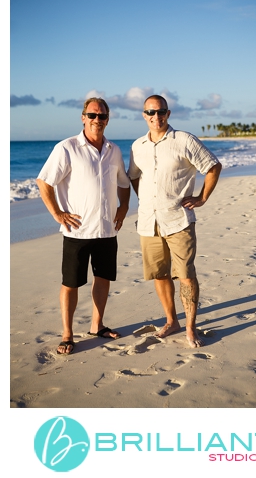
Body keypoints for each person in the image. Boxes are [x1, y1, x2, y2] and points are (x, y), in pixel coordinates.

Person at [37, 98, 131, 355]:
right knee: (71, 283)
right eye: (92, 115)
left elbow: (123, 182)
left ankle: (97, 326)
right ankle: (67, 334)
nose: (96, 120)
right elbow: (44, 182)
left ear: (107, 120)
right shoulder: (67, 148)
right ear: (83, 117)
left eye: (101, 116)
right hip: (77, 231)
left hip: (107, 230)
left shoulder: (114, 150)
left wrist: (124, 207)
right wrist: (57, 212)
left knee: (103, 278)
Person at [128, 95, 222, 348]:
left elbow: (213, 166)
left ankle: (190, 328)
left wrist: (202, 197)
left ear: (168, 114)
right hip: (149, 222)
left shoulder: (185, 140)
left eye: (160, 112)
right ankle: (172, 321)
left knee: (186, 276)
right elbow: (134, 176)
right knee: (160, 274)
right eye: (150, 112)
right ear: (143, 115)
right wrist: (145, 200)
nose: (155, 117)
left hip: (178, 220)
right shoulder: (138, 146)